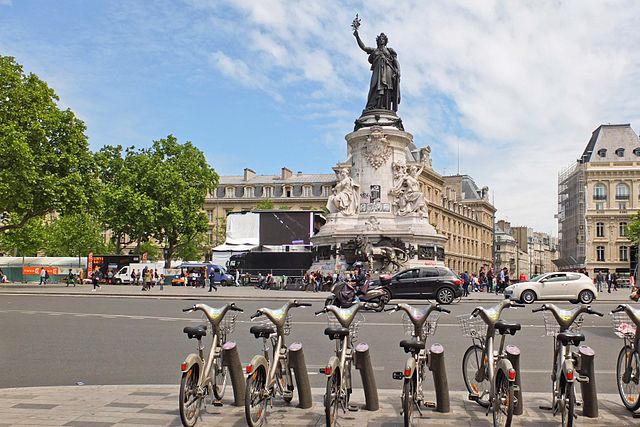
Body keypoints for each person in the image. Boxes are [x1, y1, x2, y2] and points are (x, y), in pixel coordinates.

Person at [353, 26, 401, 111]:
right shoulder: (374, 50)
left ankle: (385, 107)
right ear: (377, 41)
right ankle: (371, 106)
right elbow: (363, 47)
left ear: (385, 41)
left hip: (388, 71)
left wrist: (398, 71)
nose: (381, 40)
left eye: (383, 39)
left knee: (387, 88)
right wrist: (357, 36)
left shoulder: (390, 50)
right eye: (380, 39)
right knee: (373, 86)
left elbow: (396, 61)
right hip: (377, 71)